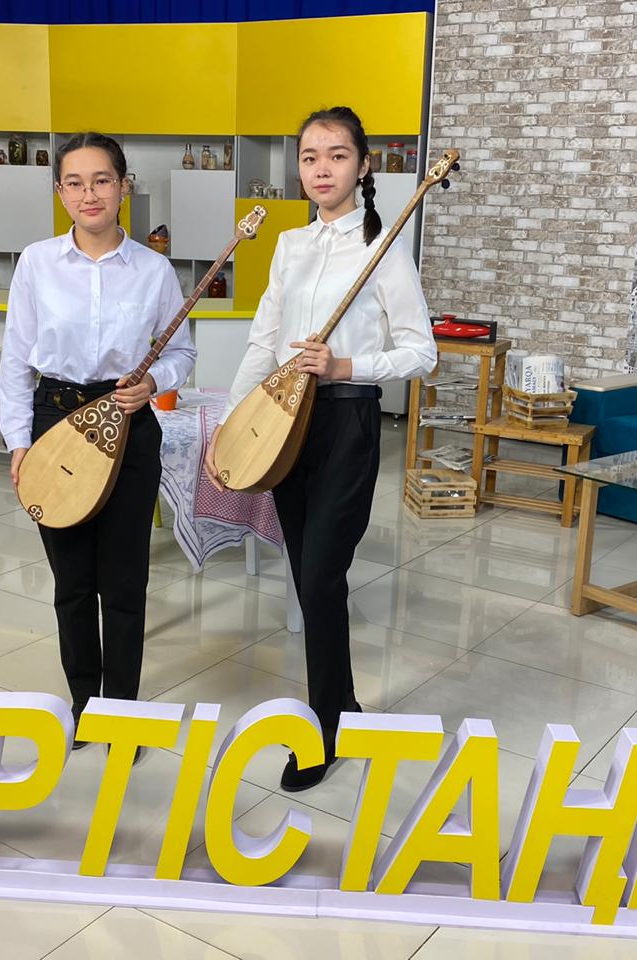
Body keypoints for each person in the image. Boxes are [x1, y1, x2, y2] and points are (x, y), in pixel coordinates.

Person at [204, 106, 436, 791]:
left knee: (319, 578)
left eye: (337, 155)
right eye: (309, 157)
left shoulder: (382, 247)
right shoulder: (289, 245)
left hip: (345, 422)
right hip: (282, 423)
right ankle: (343, 704)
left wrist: (346, 366)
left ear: (362, 166)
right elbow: (263, 341)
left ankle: (325, 731)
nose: (322, 169)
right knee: (307, 576)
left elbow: (421, 352)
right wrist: (230, 422)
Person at [0, 132, 195, 749]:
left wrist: (154, 382)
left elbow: (182, 353)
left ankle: (122, 715)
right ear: (60, 192)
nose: (90, 194)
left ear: (123, 187)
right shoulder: (36, 263)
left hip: (129, 428)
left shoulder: (154, 270)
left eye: (102, 180)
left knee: (125, 581)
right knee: (74, 583)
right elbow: (15, 361)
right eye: (75, 183)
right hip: (54, 423)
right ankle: (85, 705)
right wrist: (18, 441)